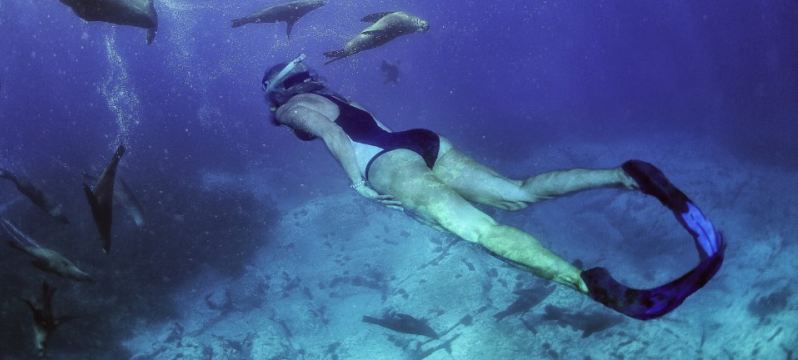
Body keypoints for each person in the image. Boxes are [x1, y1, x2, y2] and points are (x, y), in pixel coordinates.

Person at [262, 55, 725, 320]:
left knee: (481, 232)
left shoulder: (290, 108)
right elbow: (360, 122)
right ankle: (625, 175)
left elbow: (332, 134)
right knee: (517, 193)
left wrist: (357, 184)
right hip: (419, 141)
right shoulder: (341, 95)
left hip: (385, 166)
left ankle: (587, 284)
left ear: (277, 91)